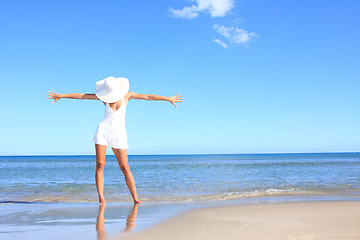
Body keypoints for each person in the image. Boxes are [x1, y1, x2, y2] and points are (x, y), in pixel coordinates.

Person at [47, 76, 183, 205]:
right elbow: (82, 96)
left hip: (119, 134)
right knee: (100, 165)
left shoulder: (127, 95)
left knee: (125, 167)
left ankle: (135, 199)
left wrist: (168, 98)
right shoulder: (104, 98)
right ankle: (101, 199)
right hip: (103, 132)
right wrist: (61, 95)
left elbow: (147, 96)